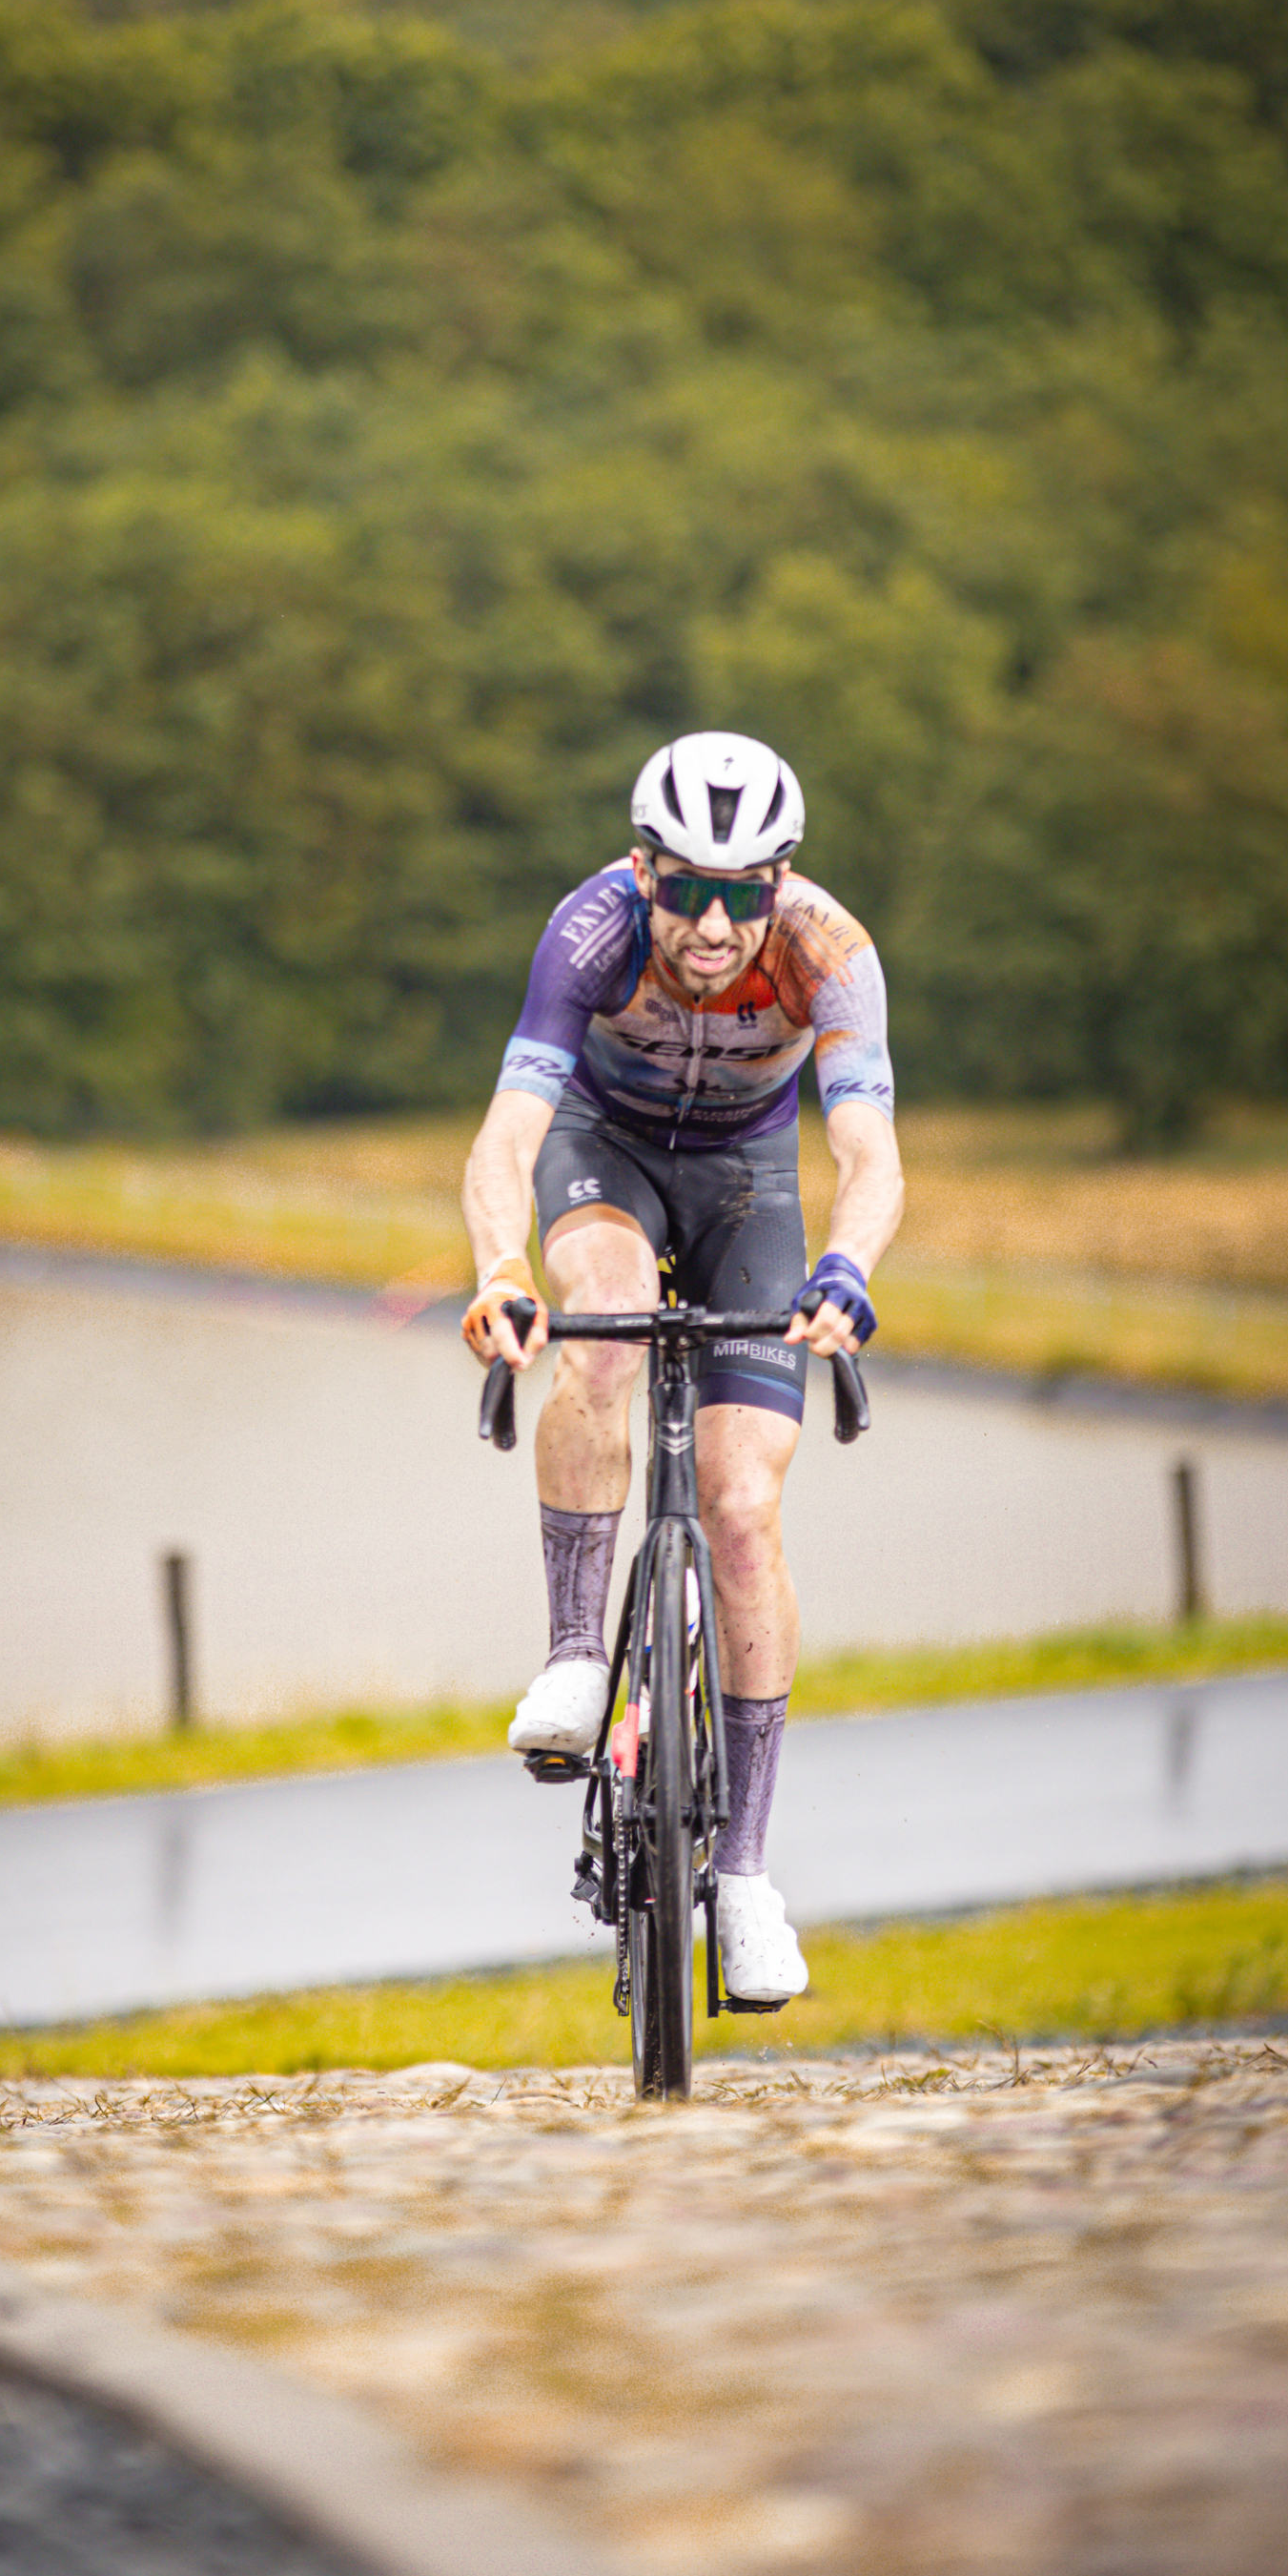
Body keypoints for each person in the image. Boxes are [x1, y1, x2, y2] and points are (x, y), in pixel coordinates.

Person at [460, 731, 904, 2007]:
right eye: (688, 888)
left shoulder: (831, 953)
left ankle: (748, 1875)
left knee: (746, 1508)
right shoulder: (589, 934)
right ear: (644, 870)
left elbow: (869, 1155)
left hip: (749, 1184)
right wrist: (501, 1271)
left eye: (743, 890)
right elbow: (506, 1140)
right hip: (604, 1152)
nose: (714, 922)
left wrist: (845, 1271)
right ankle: (574, 1656)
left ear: (781, 882)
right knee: (597, 1322)